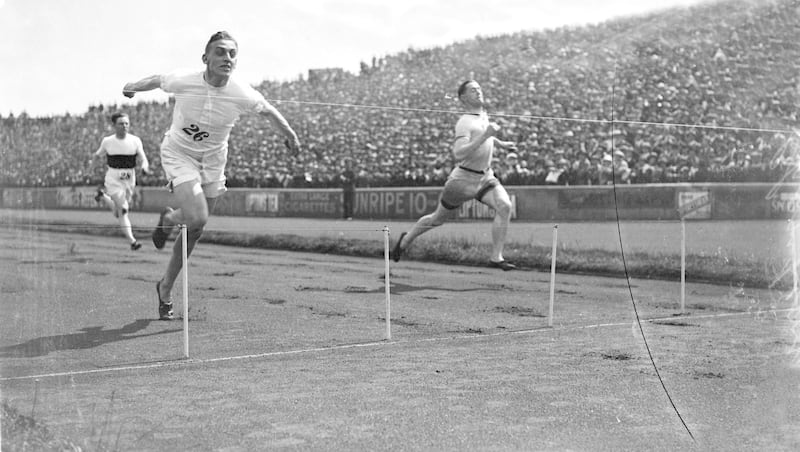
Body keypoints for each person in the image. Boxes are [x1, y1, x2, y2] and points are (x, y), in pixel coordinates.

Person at [122, 31, 300, 320]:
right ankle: (171, 218)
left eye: (232, 54)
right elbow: (157, 80)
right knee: (198, 215)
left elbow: (267, 112)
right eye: (220, 52)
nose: (226, 58)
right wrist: (131, 86)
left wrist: (290, 135)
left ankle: (165, 286)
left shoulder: (241, 92)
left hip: (214, 161)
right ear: (205, 58)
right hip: (179, 154)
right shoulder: (184, 79)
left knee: (196, 229)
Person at [391, 80, 518, 271]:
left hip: (485, 177)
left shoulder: (483, 114)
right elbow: (459, 154)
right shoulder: (464, 122)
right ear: (463, 98)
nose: (478, 92)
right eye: (473, 90)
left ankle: (496, 257)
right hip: (462, 180)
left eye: (479, 88)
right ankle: (405, 240)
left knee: (505, 206)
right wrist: (487, 136)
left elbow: (484, 135)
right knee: (437, 219)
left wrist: (500, 143)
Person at [89, 112, 150, 250]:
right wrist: (92, 166)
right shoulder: (107, 141)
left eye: (126, 123)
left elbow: (143, 158)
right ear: (114, 125)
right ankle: (133, 242)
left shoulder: (135, 140)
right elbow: (97, 155)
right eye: (121, 123)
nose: (124, 126)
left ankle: (102, 196)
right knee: (123, 209)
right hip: (113, 179)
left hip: (129, 178)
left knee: (119, 212)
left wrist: (144, 167)